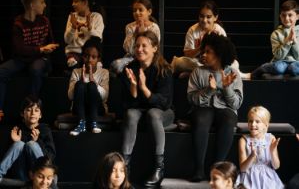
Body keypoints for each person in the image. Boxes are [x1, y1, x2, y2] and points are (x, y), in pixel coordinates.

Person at [120, 31, 174, 187]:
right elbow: (126, 104)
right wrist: (134, 87)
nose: (139, 49)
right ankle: (125, 168)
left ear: (155, 48)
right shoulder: (129, 69)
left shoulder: (164, 69)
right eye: (137, 46)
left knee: (153, 113)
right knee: (130, 114)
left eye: (144, 46)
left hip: (163, 113)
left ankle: (159, 168)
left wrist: (144, 88)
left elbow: (164, 103)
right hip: (139, 111)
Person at [187, 33, 243, 182]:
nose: (203, 55)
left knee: (230, 119)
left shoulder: (233, 73)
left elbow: (236, 104)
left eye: (208, 52)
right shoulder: (197, 72)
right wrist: (209, 90)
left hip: (225, 110)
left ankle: (218, 169)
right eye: (203, 51)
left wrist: (226, 88)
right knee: (201, 117)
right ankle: (199, 169)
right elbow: (192, 99)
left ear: (219, 54)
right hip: (202, 109)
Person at [0, 0, 59, 122]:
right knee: (2, 71)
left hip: (40, 59)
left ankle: (32, 110)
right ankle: (0, 110)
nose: (45, 5)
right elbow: (19, 49)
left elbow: (51, 42)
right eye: (42, 2)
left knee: (36, 69)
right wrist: (41, 49)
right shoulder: (18, 23)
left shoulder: (44, 21)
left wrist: (49, 48)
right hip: (23, 59)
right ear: (32, 5)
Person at [171, 0, 246, 78]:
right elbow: (187, 54)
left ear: (215, 17)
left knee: (234, 63)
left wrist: (210, 59)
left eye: (208, 17)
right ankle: (201, 73)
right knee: (179, 61)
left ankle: (194, 74)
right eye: (201, 16)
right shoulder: (192, 30)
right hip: (197, 63)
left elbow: (224, 55)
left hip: (214, 64)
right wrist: (201, 48)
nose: (204, 20)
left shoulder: (219, 31)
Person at [0, 95, 56, 183]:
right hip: (21, 173)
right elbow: (9, 158)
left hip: (40, 174)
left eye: (36, 110)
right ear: (22, 113)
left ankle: (45, 178)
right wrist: (15, 142)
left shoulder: (45, 130)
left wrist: (37, 141)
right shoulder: (17, 130)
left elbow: (50, 157)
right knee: (19, 144)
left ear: (40, 115)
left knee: (32, 144)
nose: (33, 113)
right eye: (29, 110)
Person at [68, 36, 109, 136]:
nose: (89, 60)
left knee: (91, 85)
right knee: (80, 84)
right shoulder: (76, 72)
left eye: (93, 57)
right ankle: (81, 124)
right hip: (79, 108)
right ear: (82, 56)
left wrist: (92, 80)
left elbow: (105, 96)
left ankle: (94, 122)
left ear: (98, 58)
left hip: (97, 108)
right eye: (86, 56)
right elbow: (70, 96)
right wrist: (81, 81)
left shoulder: (104, 72)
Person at [236, 106, 284, 188]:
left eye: (257, 121)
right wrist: (252, 156)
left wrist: (272, 151)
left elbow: (276, 166)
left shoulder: (271, 138)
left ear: (265, 125)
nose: (253, 124)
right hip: (249, 176)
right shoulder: (243, 140)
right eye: (250, 121)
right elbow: (243, 168)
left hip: (268, 177)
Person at [110, 0, 160, 75]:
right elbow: (128, 50)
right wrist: (135, 35)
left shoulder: (154, 28)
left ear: (149, 12)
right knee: (115, 65)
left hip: (149, 57)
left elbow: (154, 48)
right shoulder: (129, 27)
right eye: (134, 10)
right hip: (131, 57)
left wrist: (143, 35)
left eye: (140, 10)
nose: (137, 12)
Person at [251, 0, 299, 79]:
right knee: (278, 68)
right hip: (281, 62)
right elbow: (279, 56)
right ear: (280, 16)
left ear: (297, 16)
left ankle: (287, 71)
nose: (286, 18)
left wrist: (294, 41)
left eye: (290, 15)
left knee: (295, 68)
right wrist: (287, 41)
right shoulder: (276, 33)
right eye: (283, 15)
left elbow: (298, 57)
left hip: (296, 62)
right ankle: (262, 69)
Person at [64, 0, 104, 70]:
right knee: (73, 63)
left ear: (85, 2)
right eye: (73, 1)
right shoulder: (72, 17)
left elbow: (99, 38)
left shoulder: (97, 17)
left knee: (93, 67)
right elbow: (67, 40)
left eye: (76, 1)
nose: (73, 4)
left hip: (90, 53)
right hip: (75, 52)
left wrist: (89, 29)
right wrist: (73, 27)